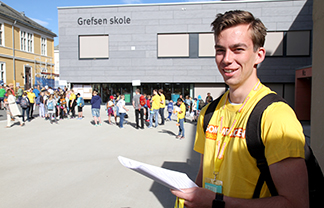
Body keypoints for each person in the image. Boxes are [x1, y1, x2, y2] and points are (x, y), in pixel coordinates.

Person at [171, 10, 308, 208]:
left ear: (258, 55)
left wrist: (216, 202)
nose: (226, 59)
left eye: (238, 49)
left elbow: (296, 203)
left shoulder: (276, 116)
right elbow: (203, 179)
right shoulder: (208, 113)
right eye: (220, 50)